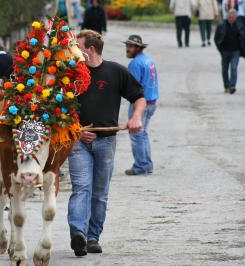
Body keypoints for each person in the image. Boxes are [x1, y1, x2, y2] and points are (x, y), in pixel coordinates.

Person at [68, 30, 146, 256]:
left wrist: (136, 117)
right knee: (81, 188)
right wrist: (77, 130)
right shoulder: (70, 74)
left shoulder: (116, 71)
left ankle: (93, 237)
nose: (73, 50)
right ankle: (78, 234)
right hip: (78, 141)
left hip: (106, 141)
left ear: (90, 49)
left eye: (77, 46)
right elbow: (60, 109)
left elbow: (139, 97)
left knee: (99, 193)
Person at [121, 35, 159, 176]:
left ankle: (140, 166)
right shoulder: (148, 59)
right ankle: (147, 165)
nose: (127, 49)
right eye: (127, 46)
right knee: (143, 134)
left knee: (136, 135)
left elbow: (133, 87)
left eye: (130, 46)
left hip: (141, 104)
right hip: (152, 102)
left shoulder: (135, 63)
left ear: (138, 48)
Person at [214, 9, 245, 94]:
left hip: (236, 51)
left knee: (234, 68)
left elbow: (243, 38)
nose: (231, 19)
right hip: (225, 51)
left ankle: (232, 86)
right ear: (227, 17)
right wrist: (220, 48)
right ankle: (226, 86)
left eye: (233, 17)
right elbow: (216, 38)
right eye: (230, 17)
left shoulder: (240, 26)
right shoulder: (222, 26)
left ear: (236, 17)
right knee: (225, 69)